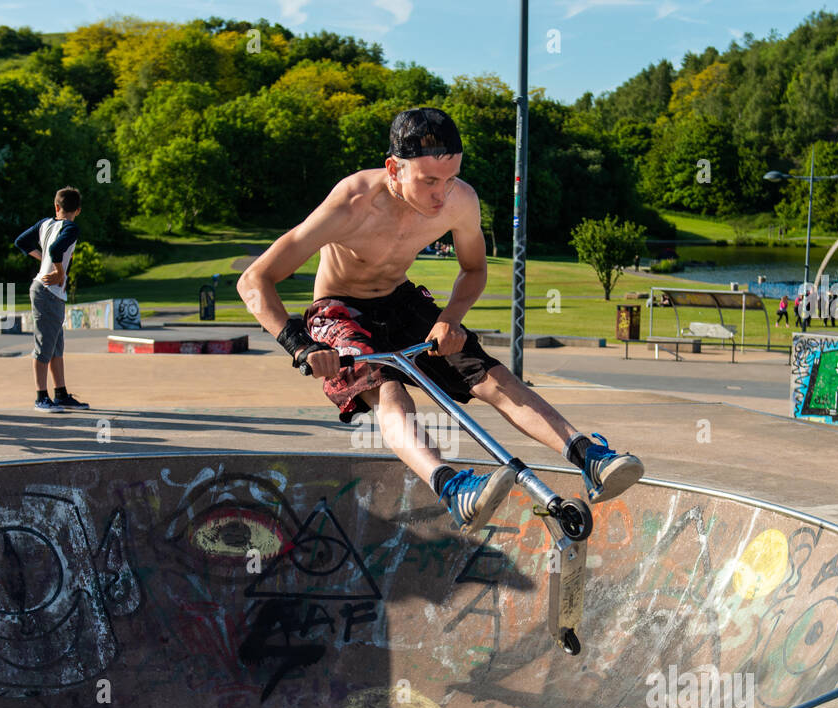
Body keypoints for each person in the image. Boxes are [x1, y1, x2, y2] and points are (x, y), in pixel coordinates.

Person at [238, 107, 643, 535]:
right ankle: (453, 488)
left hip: (401, 301)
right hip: (339, 310)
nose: (441, 194)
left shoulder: (460, 201)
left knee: (491, 377)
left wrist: (451, 318)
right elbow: (254, 280)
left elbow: (474, 269)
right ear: (394, 168)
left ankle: (588, 457)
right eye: (429, 181)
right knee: (389, 390)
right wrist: (302, 346)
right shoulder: (351, 204)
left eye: (450, 179)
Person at [15, 186, 87, 412]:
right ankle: (41, 397)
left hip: (48, 292)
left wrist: (43, 258)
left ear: (56, 207)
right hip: (47, 291)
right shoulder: (71, 228)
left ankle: (61, 394)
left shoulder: (44, 223)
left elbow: (21, 242)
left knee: (56, 347)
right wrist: (59, 271)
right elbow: (56, 249)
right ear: (78, 210)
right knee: (44, 347)